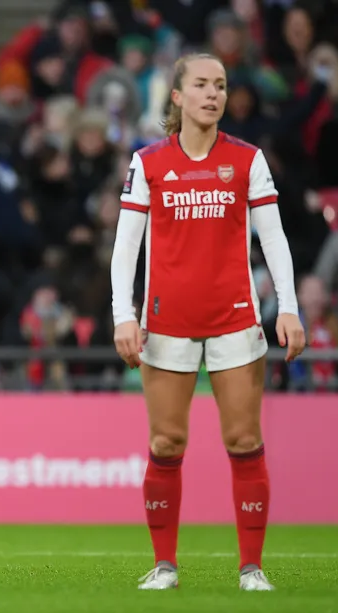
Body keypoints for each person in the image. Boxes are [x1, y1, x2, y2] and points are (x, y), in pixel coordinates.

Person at [110, 53, 306, 592]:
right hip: (165, 323)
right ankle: (165, 564)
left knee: (244, 440)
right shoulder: (148, 161)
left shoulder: (247, 160)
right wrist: (123, 315)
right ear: (177, 96)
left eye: (219, 85)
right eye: (200, 84)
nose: (212, 93)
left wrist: (287, 305)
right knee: (167, 443)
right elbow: (126, 246)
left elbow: (275, 238)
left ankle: (251, 567)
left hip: (236, 320)